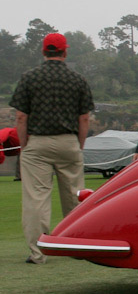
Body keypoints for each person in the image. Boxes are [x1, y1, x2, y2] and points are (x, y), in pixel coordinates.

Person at [10, 33, 94, 265]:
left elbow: (20, 116)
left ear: (43, 51)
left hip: (37, 143)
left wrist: (25, 145)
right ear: (65, 52)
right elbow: (84, 118)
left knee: (36, 199)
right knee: (75, 196)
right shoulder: (77, 80)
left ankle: (38, 254)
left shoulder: (29, 78)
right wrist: (79, 145)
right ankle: (77, 247)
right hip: (69, 141)